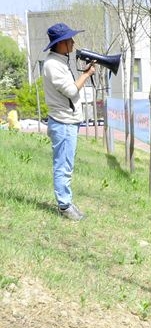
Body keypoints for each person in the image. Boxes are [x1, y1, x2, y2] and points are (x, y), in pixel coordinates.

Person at [42, 22, 96, 221]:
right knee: (63, 166)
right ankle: (64, 206)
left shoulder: (59, 61)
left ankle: (66, 202)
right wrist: (86, 74)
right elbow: (72, 90)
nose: (73, 42)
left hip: (66, 121)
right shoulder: (52, 65)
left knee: (66, 164)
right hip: (63, 122)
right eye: (70, 39)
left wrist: (84, 73)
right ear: (60, 43)